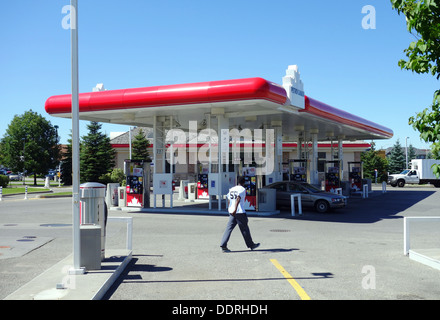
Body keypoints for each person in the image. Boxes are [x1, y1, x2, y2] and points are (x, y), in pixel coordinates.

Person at [220, 176, 260, 252]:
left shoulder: (232, 189)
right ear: (244, 182)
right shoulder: (242, 189)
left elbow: (228, 198)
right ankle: (251, 245)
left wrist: (230, 207)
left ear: (237, 182)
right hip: (239, 212)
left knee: (229, 228)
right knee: (245, 228)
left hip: (232, 212)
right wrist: (235, 209)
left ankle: (223, 245)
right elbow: (238, 199)